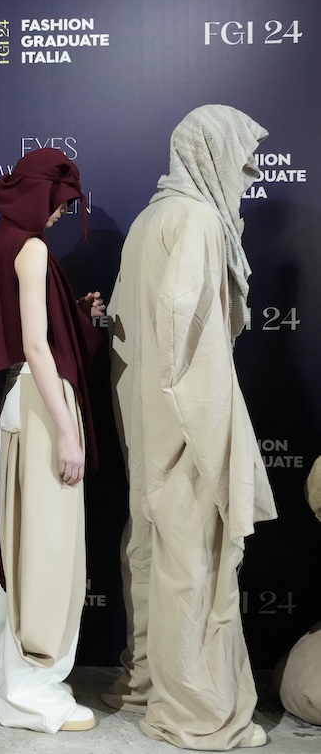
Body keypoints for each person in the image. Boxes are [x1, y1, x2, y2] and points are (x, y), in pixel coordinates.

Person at [104, 105, 276, 749]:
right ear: (212, 152)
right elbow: (184, 337)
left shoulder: (151, 218)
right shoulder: (199, 219)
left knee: (151, 553)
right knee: (193, 563)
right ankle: (197, 710)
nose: (250, 171)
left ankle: (148, 683)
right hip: (188, 418)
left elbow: (124, 328)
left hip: (147, 416)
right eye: (243, 155)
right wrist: (210, 441)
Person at [0, 147, 105, 734]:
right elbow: (35, 346)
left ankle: (11, 683)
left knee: (20, 547)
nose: (59, 215)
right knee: (46, 555)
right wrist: (65, 430)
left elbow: (32, 334)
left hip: (15, 404)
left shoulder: (5, 241)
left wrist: (72, 315)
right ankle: (35, 695)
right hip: (37, 403)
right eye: (59, 204)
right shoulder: (29, 248)